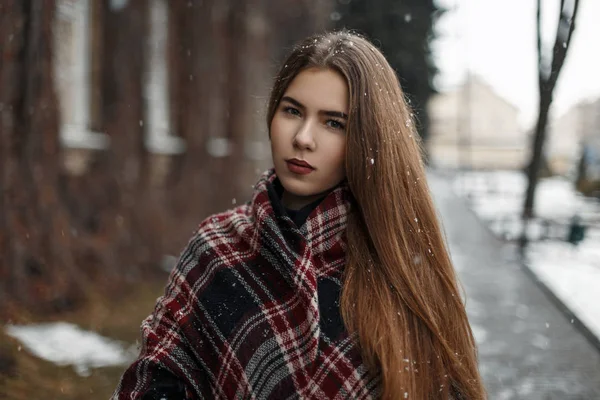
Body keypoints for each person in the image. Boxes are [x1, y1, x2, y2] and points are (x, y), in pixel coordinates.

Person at [112, 30, 486, 400]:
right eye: (292, 111)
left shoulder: (399, 270)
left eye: (333, 122)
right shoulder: (216, 249)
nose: (303, 137)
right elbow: (156, 381)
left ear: (369, 139)